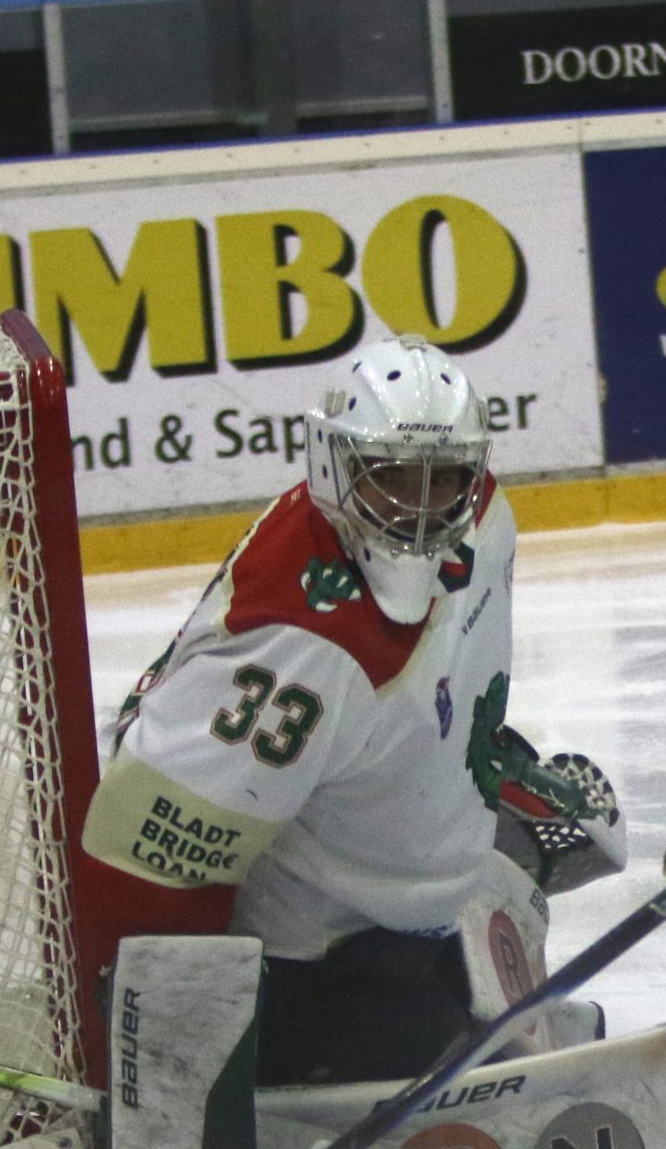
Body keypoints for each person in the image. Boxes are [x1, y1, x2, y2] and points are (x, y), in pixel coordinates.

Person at [80, 337, 628, 1085]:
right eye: (391, 476)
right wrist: (174, 1077)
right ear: (333, 464)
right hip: (320, 965)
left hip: (413, 909)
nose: (418, 508)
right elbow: (146, 861)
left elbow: (435, 692)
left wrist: (477, 775)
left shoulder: (488, 516)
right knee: (519, 1097)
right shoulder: (298, 650)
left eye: (442, 478)